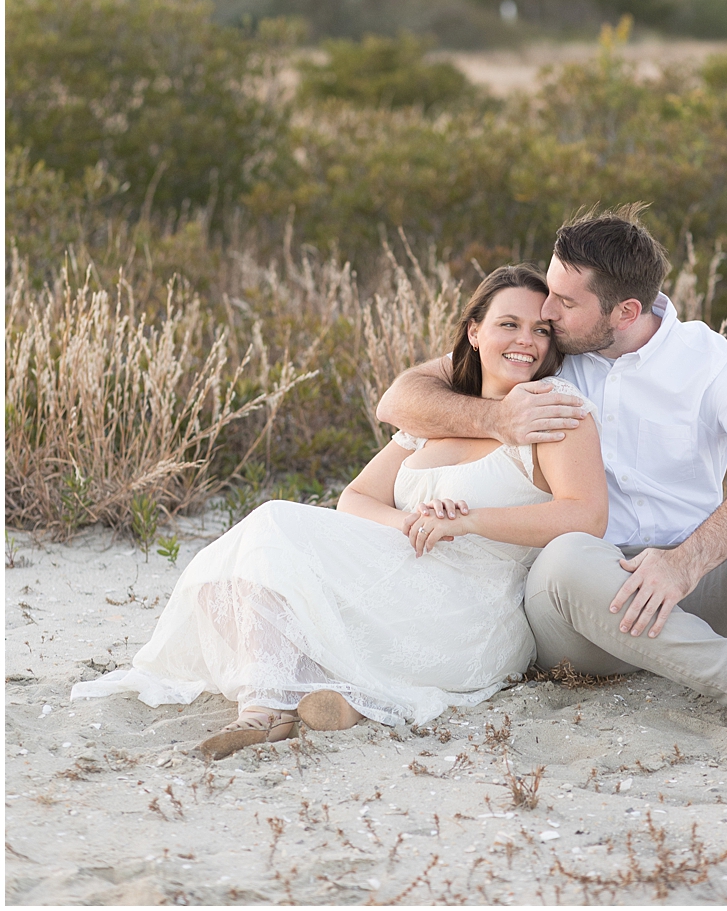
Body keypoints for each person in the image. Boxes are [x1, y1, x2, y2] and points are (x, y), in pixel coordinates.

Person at [376, 208, 727, 772]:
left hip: (689, 589)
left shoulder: (709, 361)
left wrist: (685, 563)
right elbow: (400, 398)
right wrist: (497, 419)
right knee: (567, 556)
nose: (546, 312)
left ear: (626, 311)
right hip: (579, 606)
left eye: (565, 302)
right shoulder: (548, 352)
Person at [72, 264, 608, 760]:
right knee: (242, 563)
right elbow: (354, 498)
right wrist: (410, 521)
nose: (525, 340)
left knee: (275, 530)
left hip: (473, 607)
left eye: (540, 330)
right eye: (508, 324)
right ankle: (296, 702)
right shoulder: (440, 414)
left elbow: (586, 516)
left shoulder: (554, 410)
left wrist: (467, 522)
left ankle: (277, 703)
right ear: (473, 332)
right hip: (401, 571)